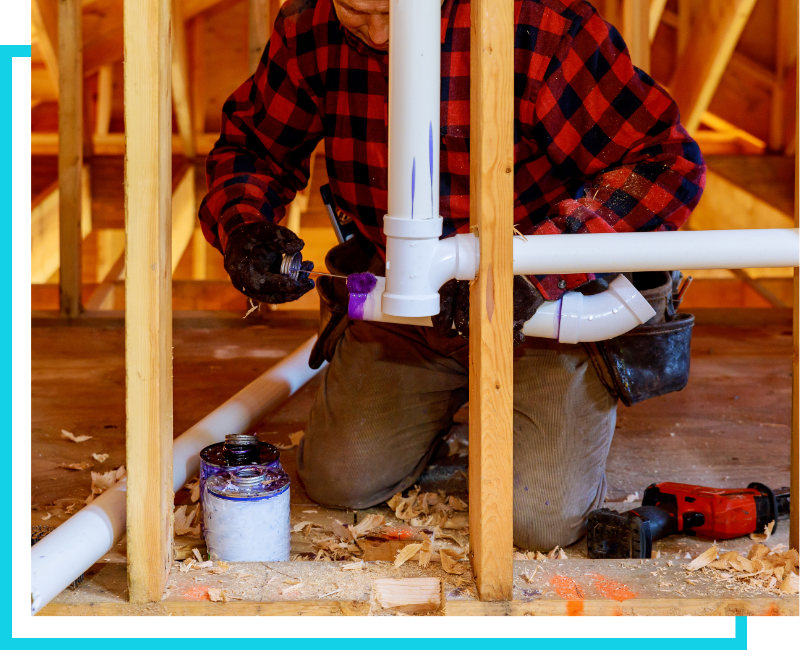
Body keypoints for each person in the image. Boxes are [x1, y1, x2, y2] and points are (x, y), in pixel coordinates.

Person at [198, 0, 706, 550]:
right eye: (356, 12)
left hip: (544, 299)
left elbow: (666, 163)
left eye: (391, 11)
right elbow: (253, 148)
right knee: (341, 479)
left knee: (537, 524)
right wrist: (243, 226)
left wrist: (537, 267)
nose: (377, 33)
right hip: (405, 293)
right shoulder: (308, 25)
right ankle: (444, 404)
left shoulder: (542, 28)